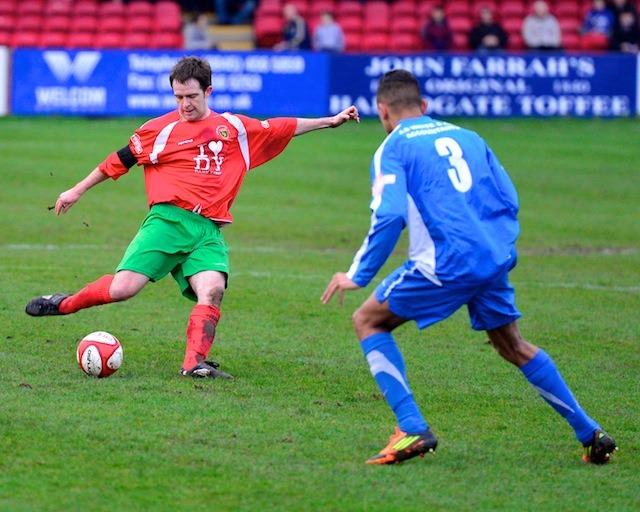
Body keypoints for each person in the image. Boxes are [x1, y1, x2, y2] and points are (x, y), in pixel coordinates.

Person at [321, 69, 617, 466]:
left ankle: (411, 426)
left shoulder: (392, 147)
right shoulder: (470, 137)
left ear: (382, 111)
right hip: (491, 257)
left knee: (368, 321)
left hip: (445, 264)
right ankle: (590, 432)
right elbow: (507, 197)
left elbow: (389, 216)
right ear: (424, 107)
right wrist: (497, 248)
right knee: (512, 344)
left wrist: (356, 274)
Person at [25, 56, 360, 379]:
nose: (184, 104)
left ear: (208, 92)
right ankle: (65, 304)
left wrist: (329, 121)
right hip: (167, 222)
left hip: (208, 230)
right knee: (123, 289)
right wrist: (76, 190)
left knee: (212, 290)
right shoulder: (161, 129)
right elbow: (118, 160)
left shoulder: (234, 128)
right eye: (178, 96)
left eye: (192, 96)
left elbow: (280, 127)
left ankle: (194, 364)